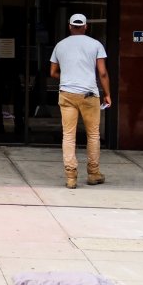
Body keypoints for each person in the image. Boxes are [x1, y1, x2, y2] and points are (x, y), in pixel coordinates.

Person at [49, 13, 111, 189]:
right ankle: (93, 173)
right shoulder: (96, 45)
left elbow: (52, 72)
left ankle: (70, 177)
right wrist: (107, 94)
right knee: (93, 135)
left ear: (69, 26)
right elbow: (103, 73)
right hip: (89, 94)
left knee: (68, 135)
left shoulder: (60, 45)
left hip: (67, 94)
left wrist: (67, 78)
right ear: (85, 26)